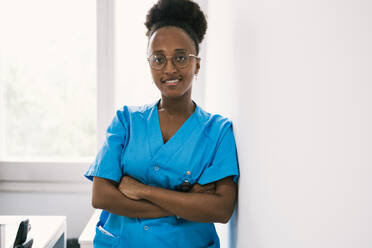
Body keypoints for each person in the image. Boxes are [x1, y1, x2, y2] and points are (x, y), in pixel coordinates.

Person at [84, 0, 240, 247]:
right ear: (150, 64)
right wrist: (186, 202)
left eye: (180, 57)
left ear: (197, 63)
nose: (169, 69)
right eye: (159, 59)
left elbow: (221, 209)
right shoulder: (126, 121)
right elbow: (102, 196)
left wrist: (143, 190)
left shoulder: (218, 131)